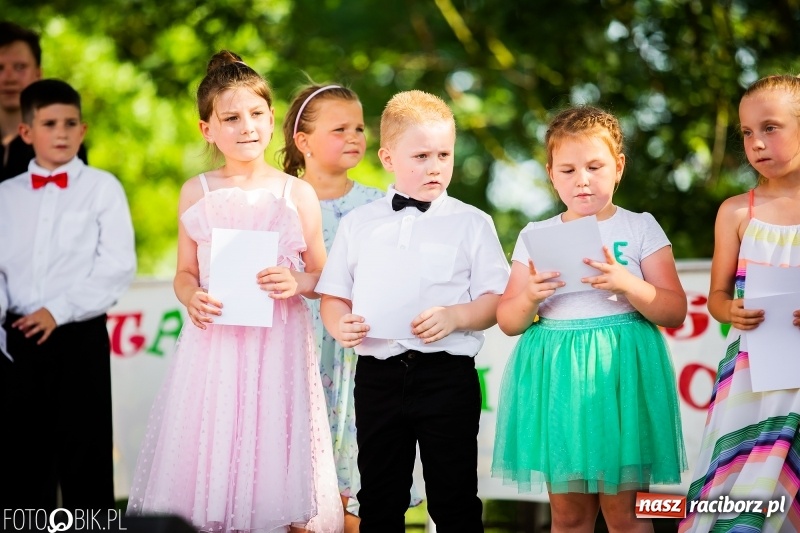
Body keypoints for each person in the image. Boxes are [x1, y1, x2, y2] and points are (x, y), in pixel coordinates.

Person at [125, 51, 342, 533]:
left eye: (257, 113)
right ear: (207, 129)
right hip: (215, 349)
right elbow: (184, 272)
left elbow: (323, 275)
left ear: (272, 118)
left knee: (271, 446)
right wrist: (191, 296)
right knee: (214, 445)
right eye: (231, 118)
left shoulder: (296, 193)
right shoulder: (197, 191)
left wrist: (298, 281)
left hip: (278, 346)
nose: (247, 126)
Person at [317, 89, 510, 533]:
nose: (435, 166)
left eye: (444, 154)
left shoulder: (472, 222)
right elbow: (333, 296)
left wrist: (457, 317)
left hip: (447, 376)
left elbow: (495, 301)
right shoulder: (359, 224)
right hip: (377, 377)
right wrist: (339, 324)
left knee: (454, 497)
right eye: (421, 156)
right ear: (388, 158)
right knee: (379, 500)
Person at [491, 105, 688, 533]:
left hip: (622, 378)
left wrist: (628, 284)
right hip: (560, 381)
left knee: (627, 515)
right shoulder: (535, 235)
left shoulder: (639, 228)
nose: (582, 179)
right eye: (568, 170)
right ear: (551, 174)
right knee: (569, 515)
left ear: (619, 167)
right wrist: (530, 295)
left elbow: (674, 310)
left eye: (595, 166)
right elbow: (508, 320)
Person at [280, 83, 420, 530]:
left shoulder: (381, 205)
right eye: (339, 129)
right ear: (303, 141)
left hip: (358, 356)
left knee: (360, 486)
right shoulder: (279, 202)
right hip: (296, 352)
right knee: (296, 488)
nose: (354, 137)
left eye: (359, 128)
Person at [0, 78, 136, 511]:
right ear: (26, 132)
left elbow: (117, 265)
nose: (61, 132)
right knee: (22, 464)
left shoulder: (102, 188)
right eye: (49, 124)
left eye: (70, 123)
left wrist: (57, 311)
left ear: (83, 129)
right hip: (15, 342)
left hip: (79, 337)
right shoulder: (5, 196)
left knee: (86, 461)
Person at [679, 74, 800, 533]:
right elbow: (717, 296)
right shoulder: (736, 211)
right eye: (747, 132)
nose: (757, 143)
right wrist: (729, 310)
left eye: (770, 127)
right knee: (740, 498)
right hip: (751, 378)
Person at [0, 21, 87, 183]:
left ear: (38, 74)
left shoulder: (62, 140)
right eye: (0, 68)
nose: (9, 78)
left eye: (20, 67)